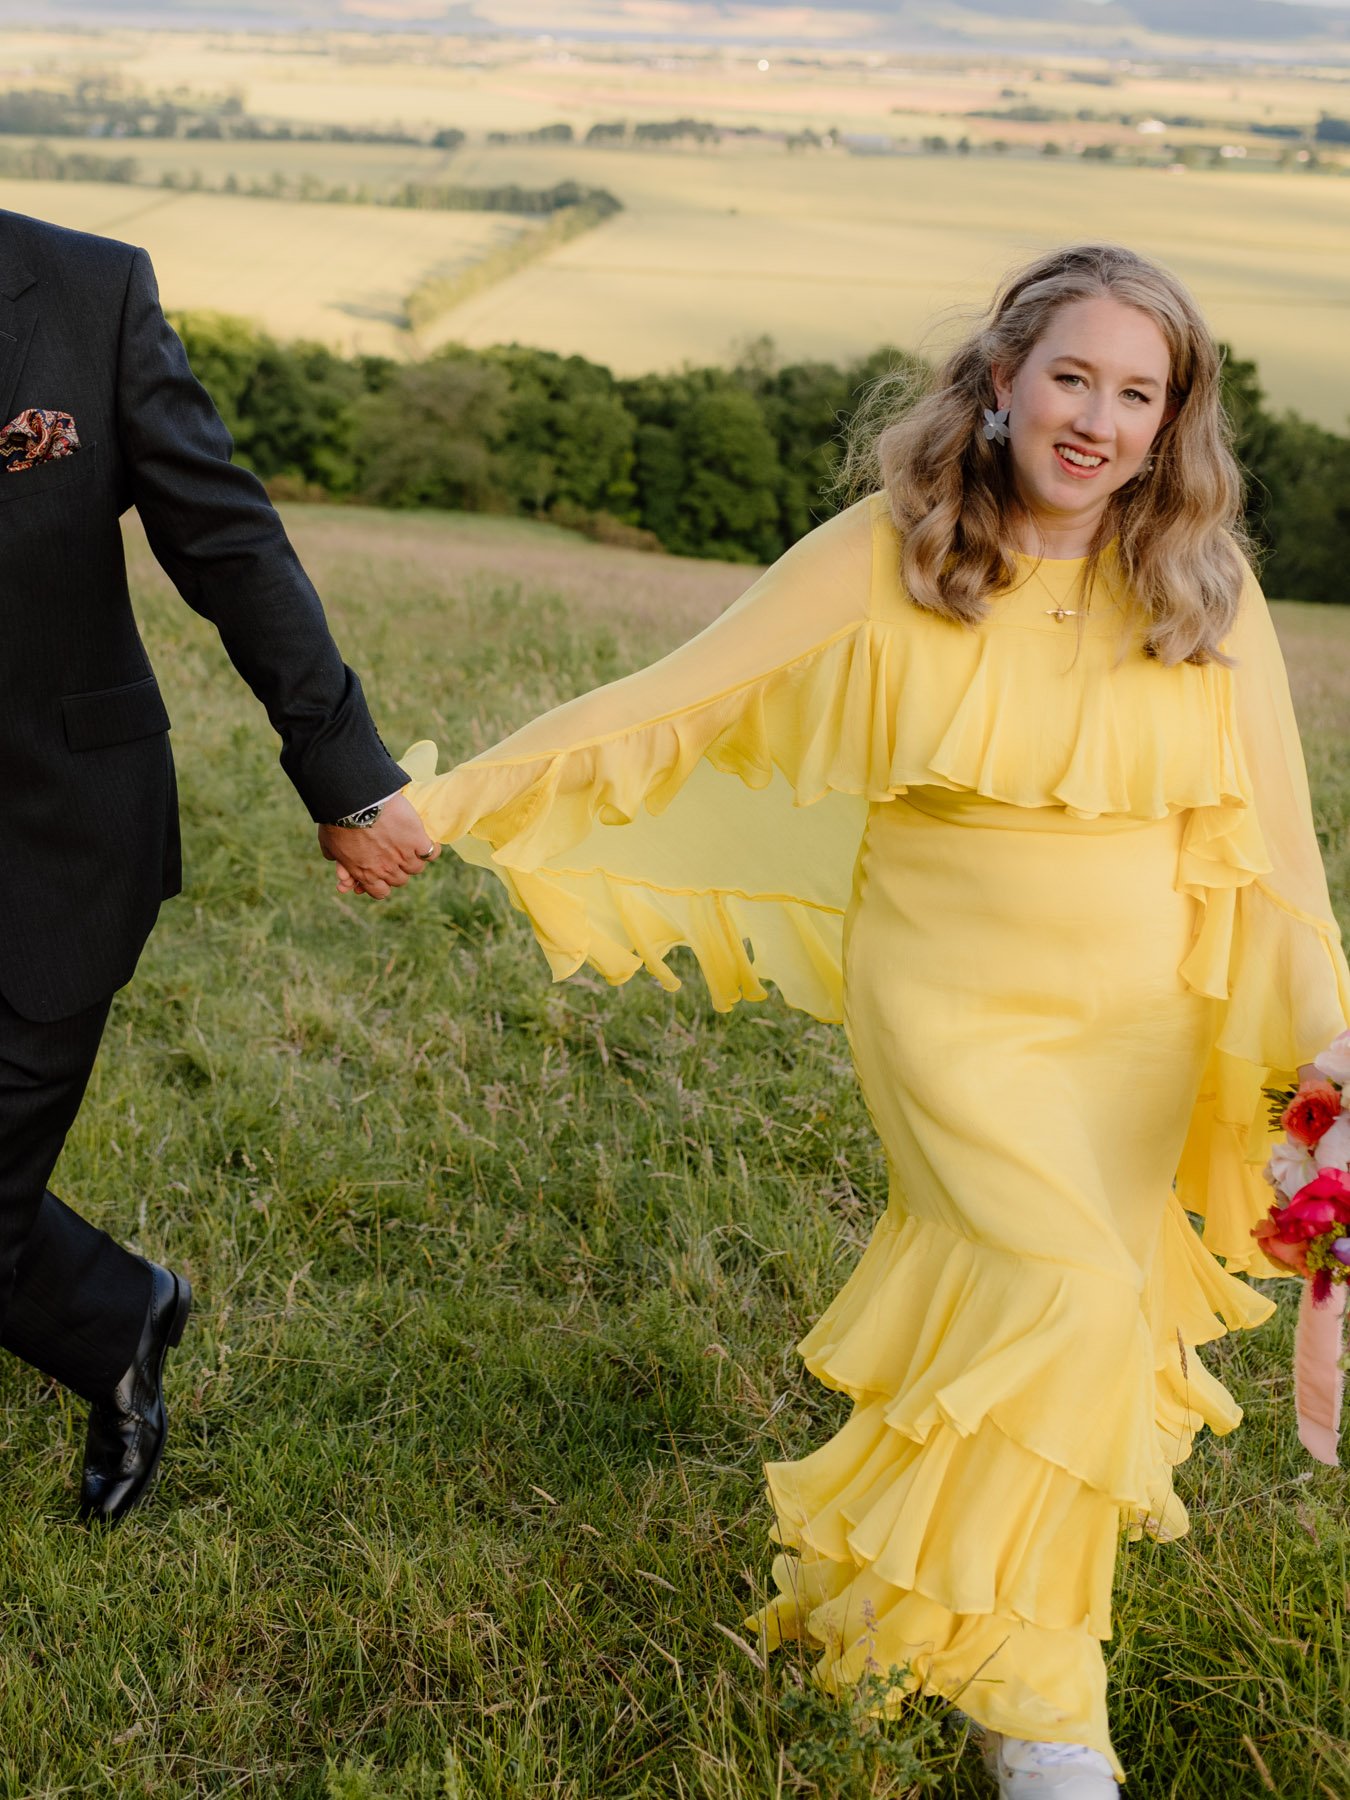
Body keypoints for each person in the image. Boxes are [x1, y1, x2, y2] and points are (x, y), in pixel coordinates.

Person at [393, 243, 1350, 1796]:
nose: (1095, 420)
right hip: (955, 1012)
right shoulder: (890, 553)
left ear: (1171, 420)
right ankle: (1051, 1726)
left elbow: (1277, 853)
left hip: (1136, 1025)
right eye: (1070, 378)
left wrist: (1326, 1052)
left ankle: (978, 1654)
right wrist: (439, 805)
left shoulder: (1201, 585)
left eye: (1136, 392)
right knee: (1060, 1300)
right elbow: (667, 703)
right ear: (999, 381)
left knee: (1066, 1334)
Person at [0, 207, 439, 1526]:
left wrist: (345, 768)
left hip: (53, 832)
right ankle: (120, 1315)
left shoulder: (87, 292)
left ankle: (116, 1320)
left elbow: (228, 541)